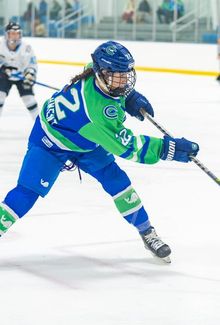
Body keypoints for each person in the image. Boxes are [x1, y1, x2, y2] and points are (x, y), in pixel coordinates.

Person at [0, 41, 199, 263]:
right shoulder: (96, 114)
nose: (125, 80)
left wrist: (129, 97)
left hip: (85, 141)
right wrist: (168, 149)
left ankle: (146, 232)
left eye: (126, 74)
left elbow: (109, 88)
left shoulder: (96, 73)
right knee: (27, 192)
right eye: (119, 75)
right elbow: (129, 148)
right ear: (103, 73)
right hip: (50, 142)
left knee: (119, 182)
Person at [0, 22, 38, 119]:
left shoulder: (26, 48)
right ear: (7, 34)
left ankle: (40, 126)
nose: (15, 36)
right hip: (4, 75)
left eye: (17, 33)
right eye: (12, 33)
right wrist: (3, 68)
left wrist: (30, 74)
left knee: (29, 100)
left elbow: (32, 64)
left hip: (22, 76)